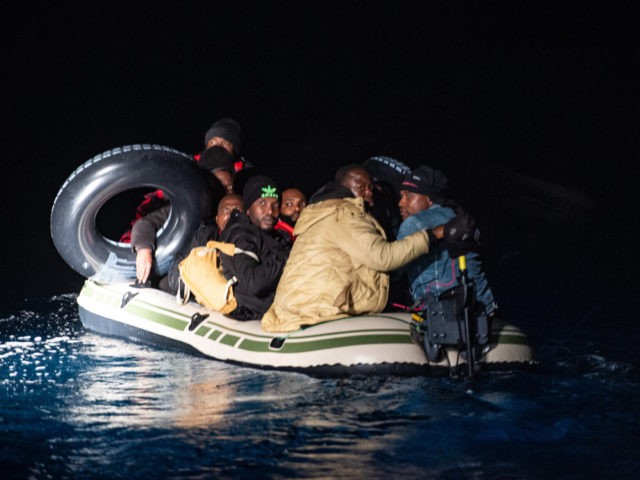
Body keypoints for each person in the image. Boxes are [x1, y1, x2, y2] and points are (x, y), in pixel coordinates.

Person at [261, 165, 477, 333]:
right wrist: (436, 233)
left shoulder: (325, 212)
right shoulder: (343, 214)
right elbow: (383, 258)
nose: (368, 193)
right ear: (346, 188)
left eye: (370, 188)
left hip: (298, 308)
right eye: (361, 188)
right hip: (314, 312)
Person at [396, 165, 497, 316]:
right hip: (485, 309)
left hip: (445, 316)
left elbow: (391, 268)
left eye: (408, 196)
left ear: (429, 198)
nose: (401, 203)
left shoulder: (414, 223)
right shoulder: (460, 219)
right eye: (401, 197)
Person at [129, 147, 232, 285]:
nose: (224, 191)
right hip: (172, 278)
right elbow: (145, 223)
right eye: (219, 184)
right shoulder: (185, 208)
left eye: (229, 186)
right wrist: (143, 249)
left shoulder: (232, 214)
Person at [218, 176, 292, 320]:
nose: (270, 211)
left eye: (275, 205)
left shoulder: (275, 237)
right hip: (253, 320)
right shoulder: (241, 235)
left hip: (277, 312)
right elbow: (254, 282)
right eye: (262, 203)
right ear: (248, 209)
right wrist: (290, 255)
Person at [162, 194, 244, 293]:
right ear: (217, 219)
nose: (231, 215)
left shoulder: (251, 242)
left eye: (237, 210)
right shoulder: (204, 234)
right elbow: (179, 267)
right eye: (226, 210)